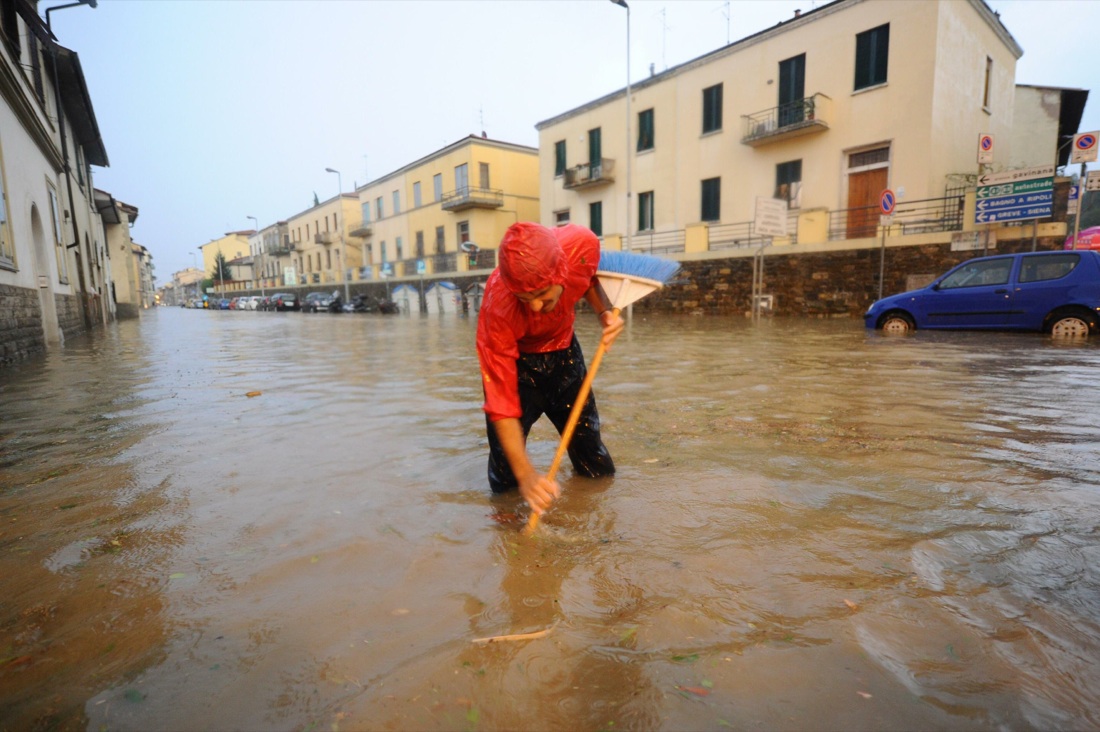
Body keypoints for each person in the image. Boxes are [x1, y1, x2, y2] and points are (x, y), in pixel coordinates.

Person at [475, 222, 625, 516]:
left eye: (542, 293)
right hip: (517, 366)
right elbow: (501, 404)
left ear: (561, 271)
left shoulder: (581, 245)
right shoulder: (498, 308)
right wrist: (527, 475)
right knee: (506, 471)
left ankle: (596, 518)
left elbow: (587, 279)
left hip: (565, 355)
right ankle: (507, 527)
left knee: (592, 455)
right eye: (524, 298)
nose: (535, 307)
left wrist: (605, 312)